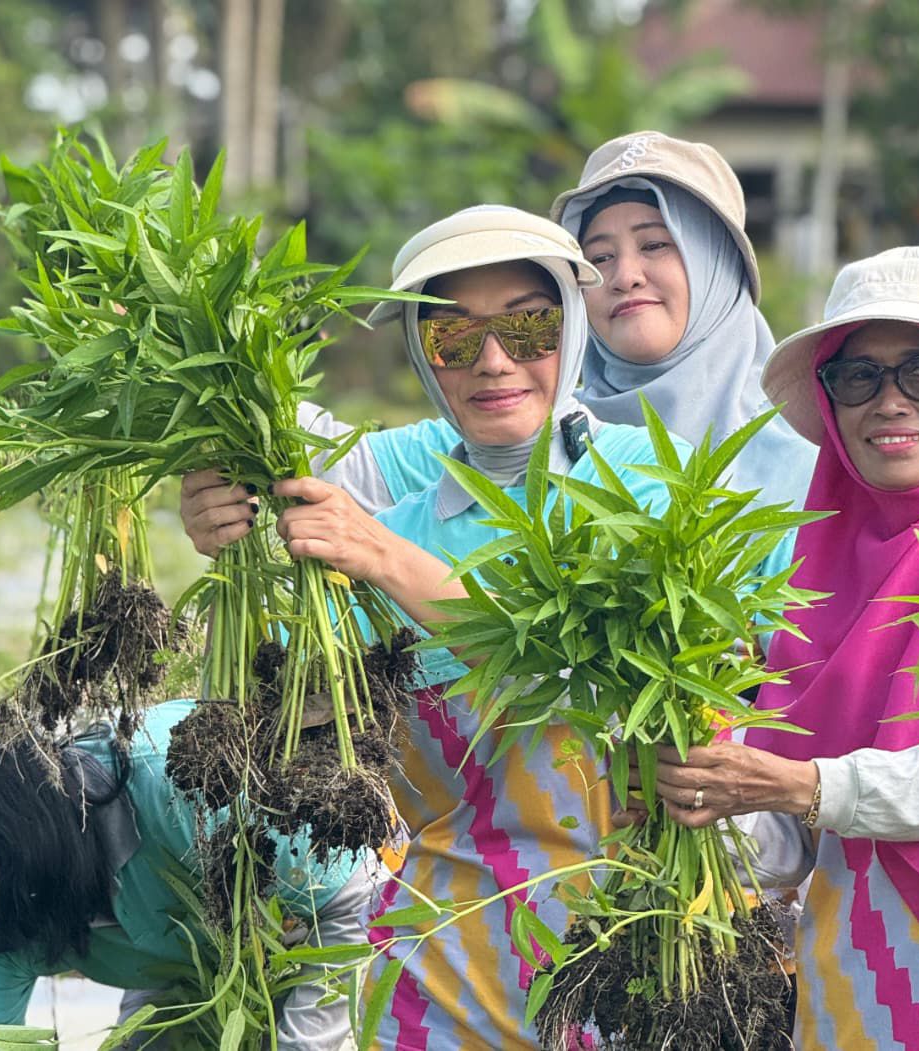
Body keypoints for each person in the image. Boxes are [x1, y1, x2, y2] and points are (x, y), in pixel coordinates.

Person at [257, 206, 685, 1049]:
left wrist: (387, 560)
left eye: (528, 327)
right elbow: (313, 740)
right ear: (424, 357)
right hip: (434, 980)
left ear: (573, 327)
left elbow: (574, 666)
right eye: (453, 336)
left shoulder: (650, 489)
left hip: (625, 965)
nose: (494, 360)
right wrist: (235, 535)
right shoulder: (387, 537)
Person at [640, 246, 919, 1049]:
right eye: (859, 376)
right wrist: (701, 799)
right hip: (850, 975)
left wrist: (798, 783)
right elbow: (786, 845)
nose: (890, 400)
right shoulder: (805, 559)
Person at [179, 131, 817, 557]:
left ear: (718, 264)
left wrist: (387, 559)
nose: (626, 275)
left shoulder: (815, 457)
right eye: (600, 256)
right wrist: (224, 478)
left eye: (656, 244)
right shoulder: (496, 434)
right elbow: (319, 459)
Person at [0, 699, 372, 1050]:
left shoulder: (178, 787)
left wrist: (306, 1042)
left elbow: (351, 892)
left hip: (341, 920)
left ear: (13, 815)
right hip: (196, 966)